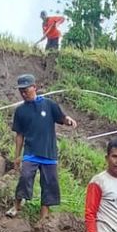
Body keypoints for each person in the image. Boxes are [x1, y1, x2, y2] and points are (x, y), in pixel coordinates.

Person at [8, 73, 77, 220]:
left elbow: (61, 118)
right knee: (25, 177)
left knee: (49, 184)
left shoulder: (49, 104)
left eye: (26, 89)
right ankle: (17, 205)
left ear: (34, 87)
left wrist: (68, 119)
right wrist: (17, 156)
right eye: (21, 91)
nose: (23, 93)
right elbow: (19, 135)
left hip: (49, 153)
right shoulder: (20, 111)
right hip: (31, 152)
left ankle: (43, 217)